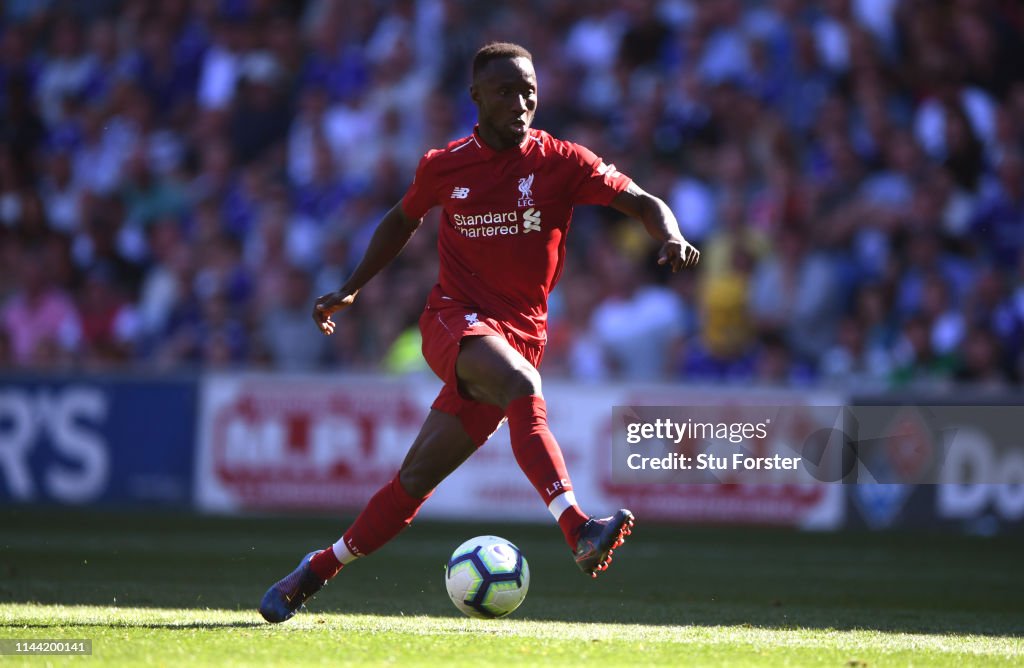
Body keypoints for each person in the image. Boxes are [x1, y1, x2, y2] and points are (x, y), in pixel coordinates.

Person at [259, 42, 700, 623]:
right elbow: (400, 219)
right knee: (521, 383)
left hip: (518, 336)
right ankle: (577, 528)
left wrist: (667, 233)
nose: (521, 102)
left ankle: (315, 569)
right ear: (476, 97)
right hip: (453, 319)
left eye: (528, 90)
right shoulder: (445, 164)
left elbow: (643, 201)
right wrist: (352, 285)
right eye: (505, 91)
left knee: (413, 482)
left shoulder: (563, 161)